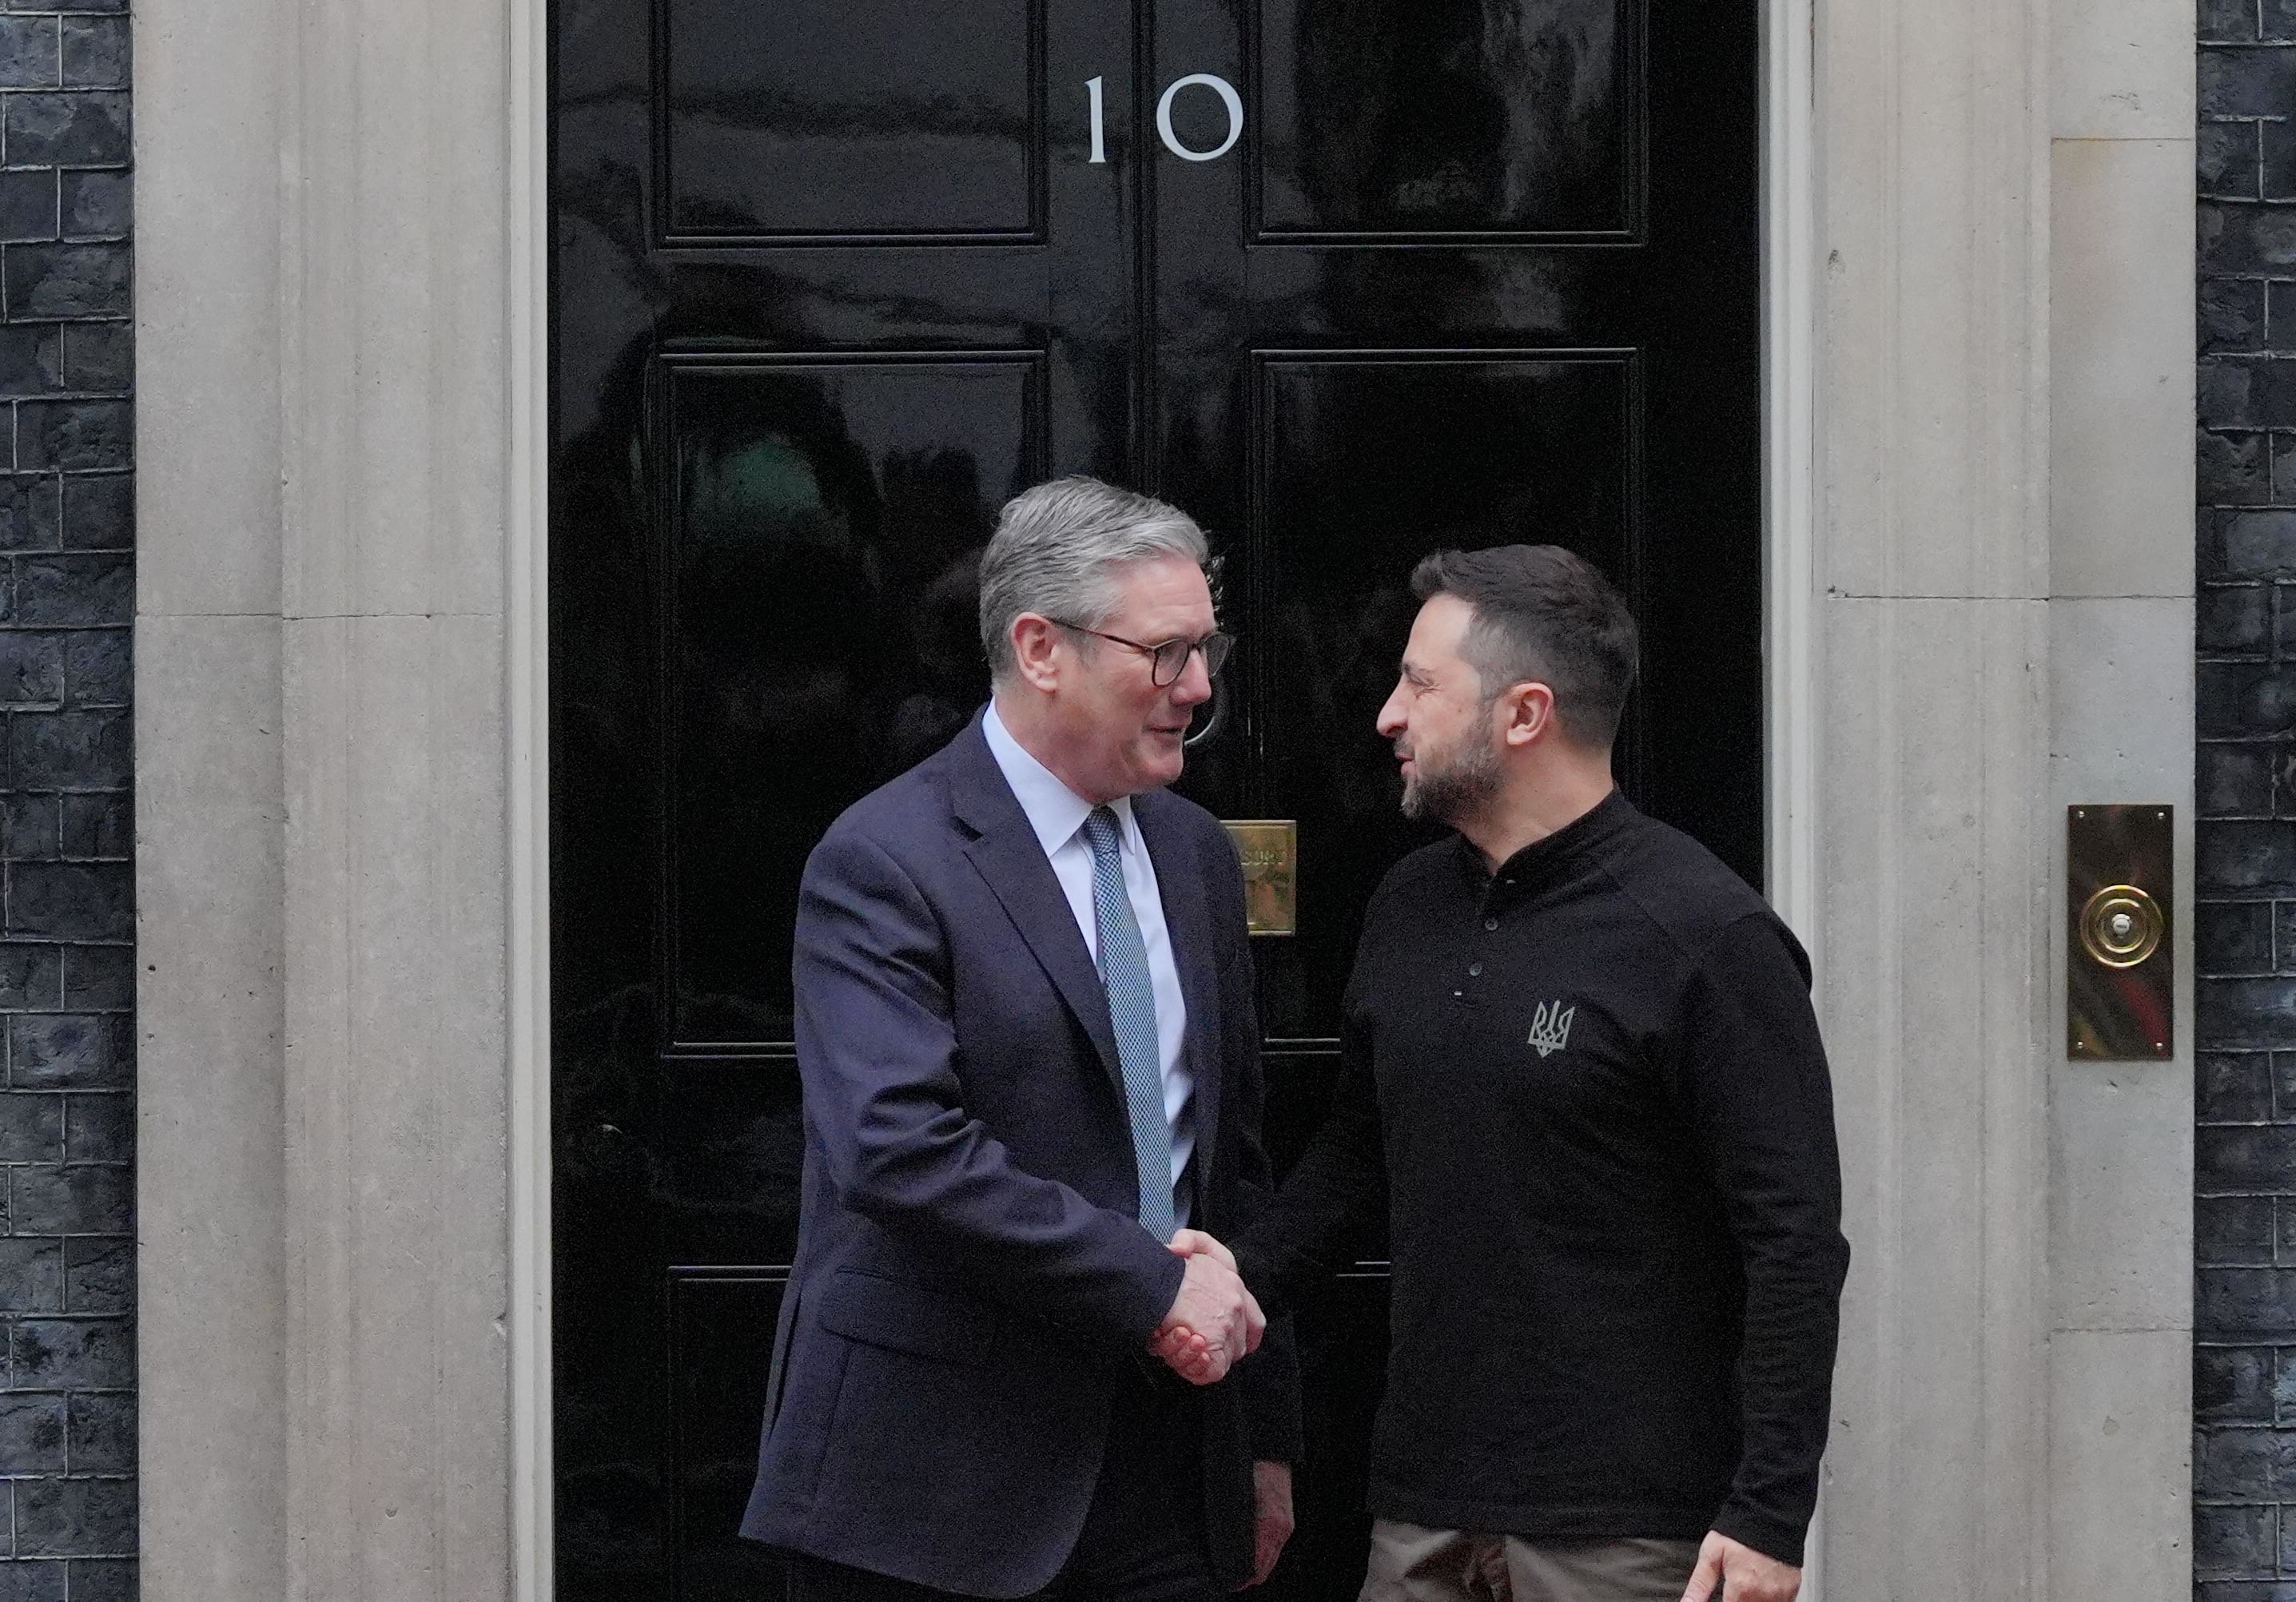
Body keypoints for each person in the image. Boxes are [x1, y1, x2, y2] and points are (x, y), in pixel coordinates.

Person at [1156, 546, 1848, 1602]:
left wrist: (1767, 1512)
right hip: (1424, 1507)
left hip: (1626, 1529)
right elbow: (1357, 1160)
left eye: (1420, 685)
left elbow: (1792, 1241)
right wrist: (1228, 1283)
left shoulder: (1707, 937)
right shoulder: (1407, 906)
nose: (1388, 713)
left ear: (1524, 714)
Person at [744, 477, 1299, 1601]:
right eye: (1165, 653)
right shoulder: (886, 860)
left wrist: (1263, 1433)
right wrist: (1147, 1283)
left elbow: (1231, 1164)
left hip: (1166, 1472)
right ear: (1041, 648)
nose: (1196, 687)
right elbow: (899, 1148)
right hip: (933, 1486)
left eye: (1207, 651)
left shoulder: (1195, 856)